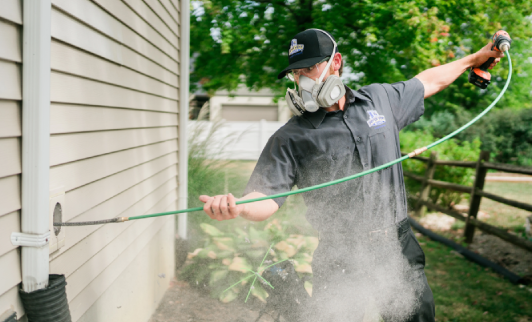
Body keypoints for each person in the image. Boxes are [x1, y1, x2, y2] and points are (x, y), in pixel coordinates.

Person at [199, 29, 503, 322]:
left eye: (310, 67)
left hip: (396, 244)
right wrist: (237, 206)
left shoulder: (381, 100)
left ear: (336, 62)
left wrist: (473, 59)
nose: (302, 78)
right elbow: (265, 196)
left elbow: (426, 82)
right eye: (296, 73)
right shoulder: (291, 137)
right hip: (339, 254)